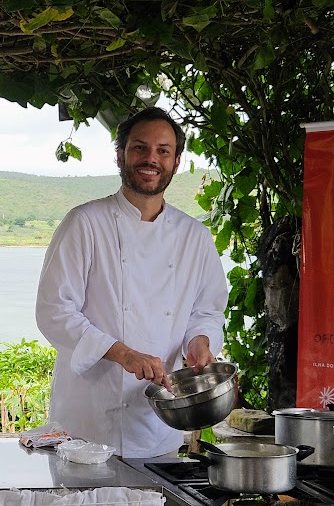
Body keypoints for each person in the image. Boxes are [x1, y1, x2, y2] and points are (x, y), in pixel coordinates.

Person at [35, 106, 229, 458]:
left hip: (160, 422)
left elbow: (207, 310)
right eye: (140, 148)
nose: (151, 159)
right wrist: (123, 354)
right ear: (120, 154)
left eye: (163, 151)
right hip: (87, 423)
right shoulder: (85, 223)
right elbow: (54, 311)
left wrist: (200, 341)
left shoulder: (195, 236)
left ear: (176, 162)